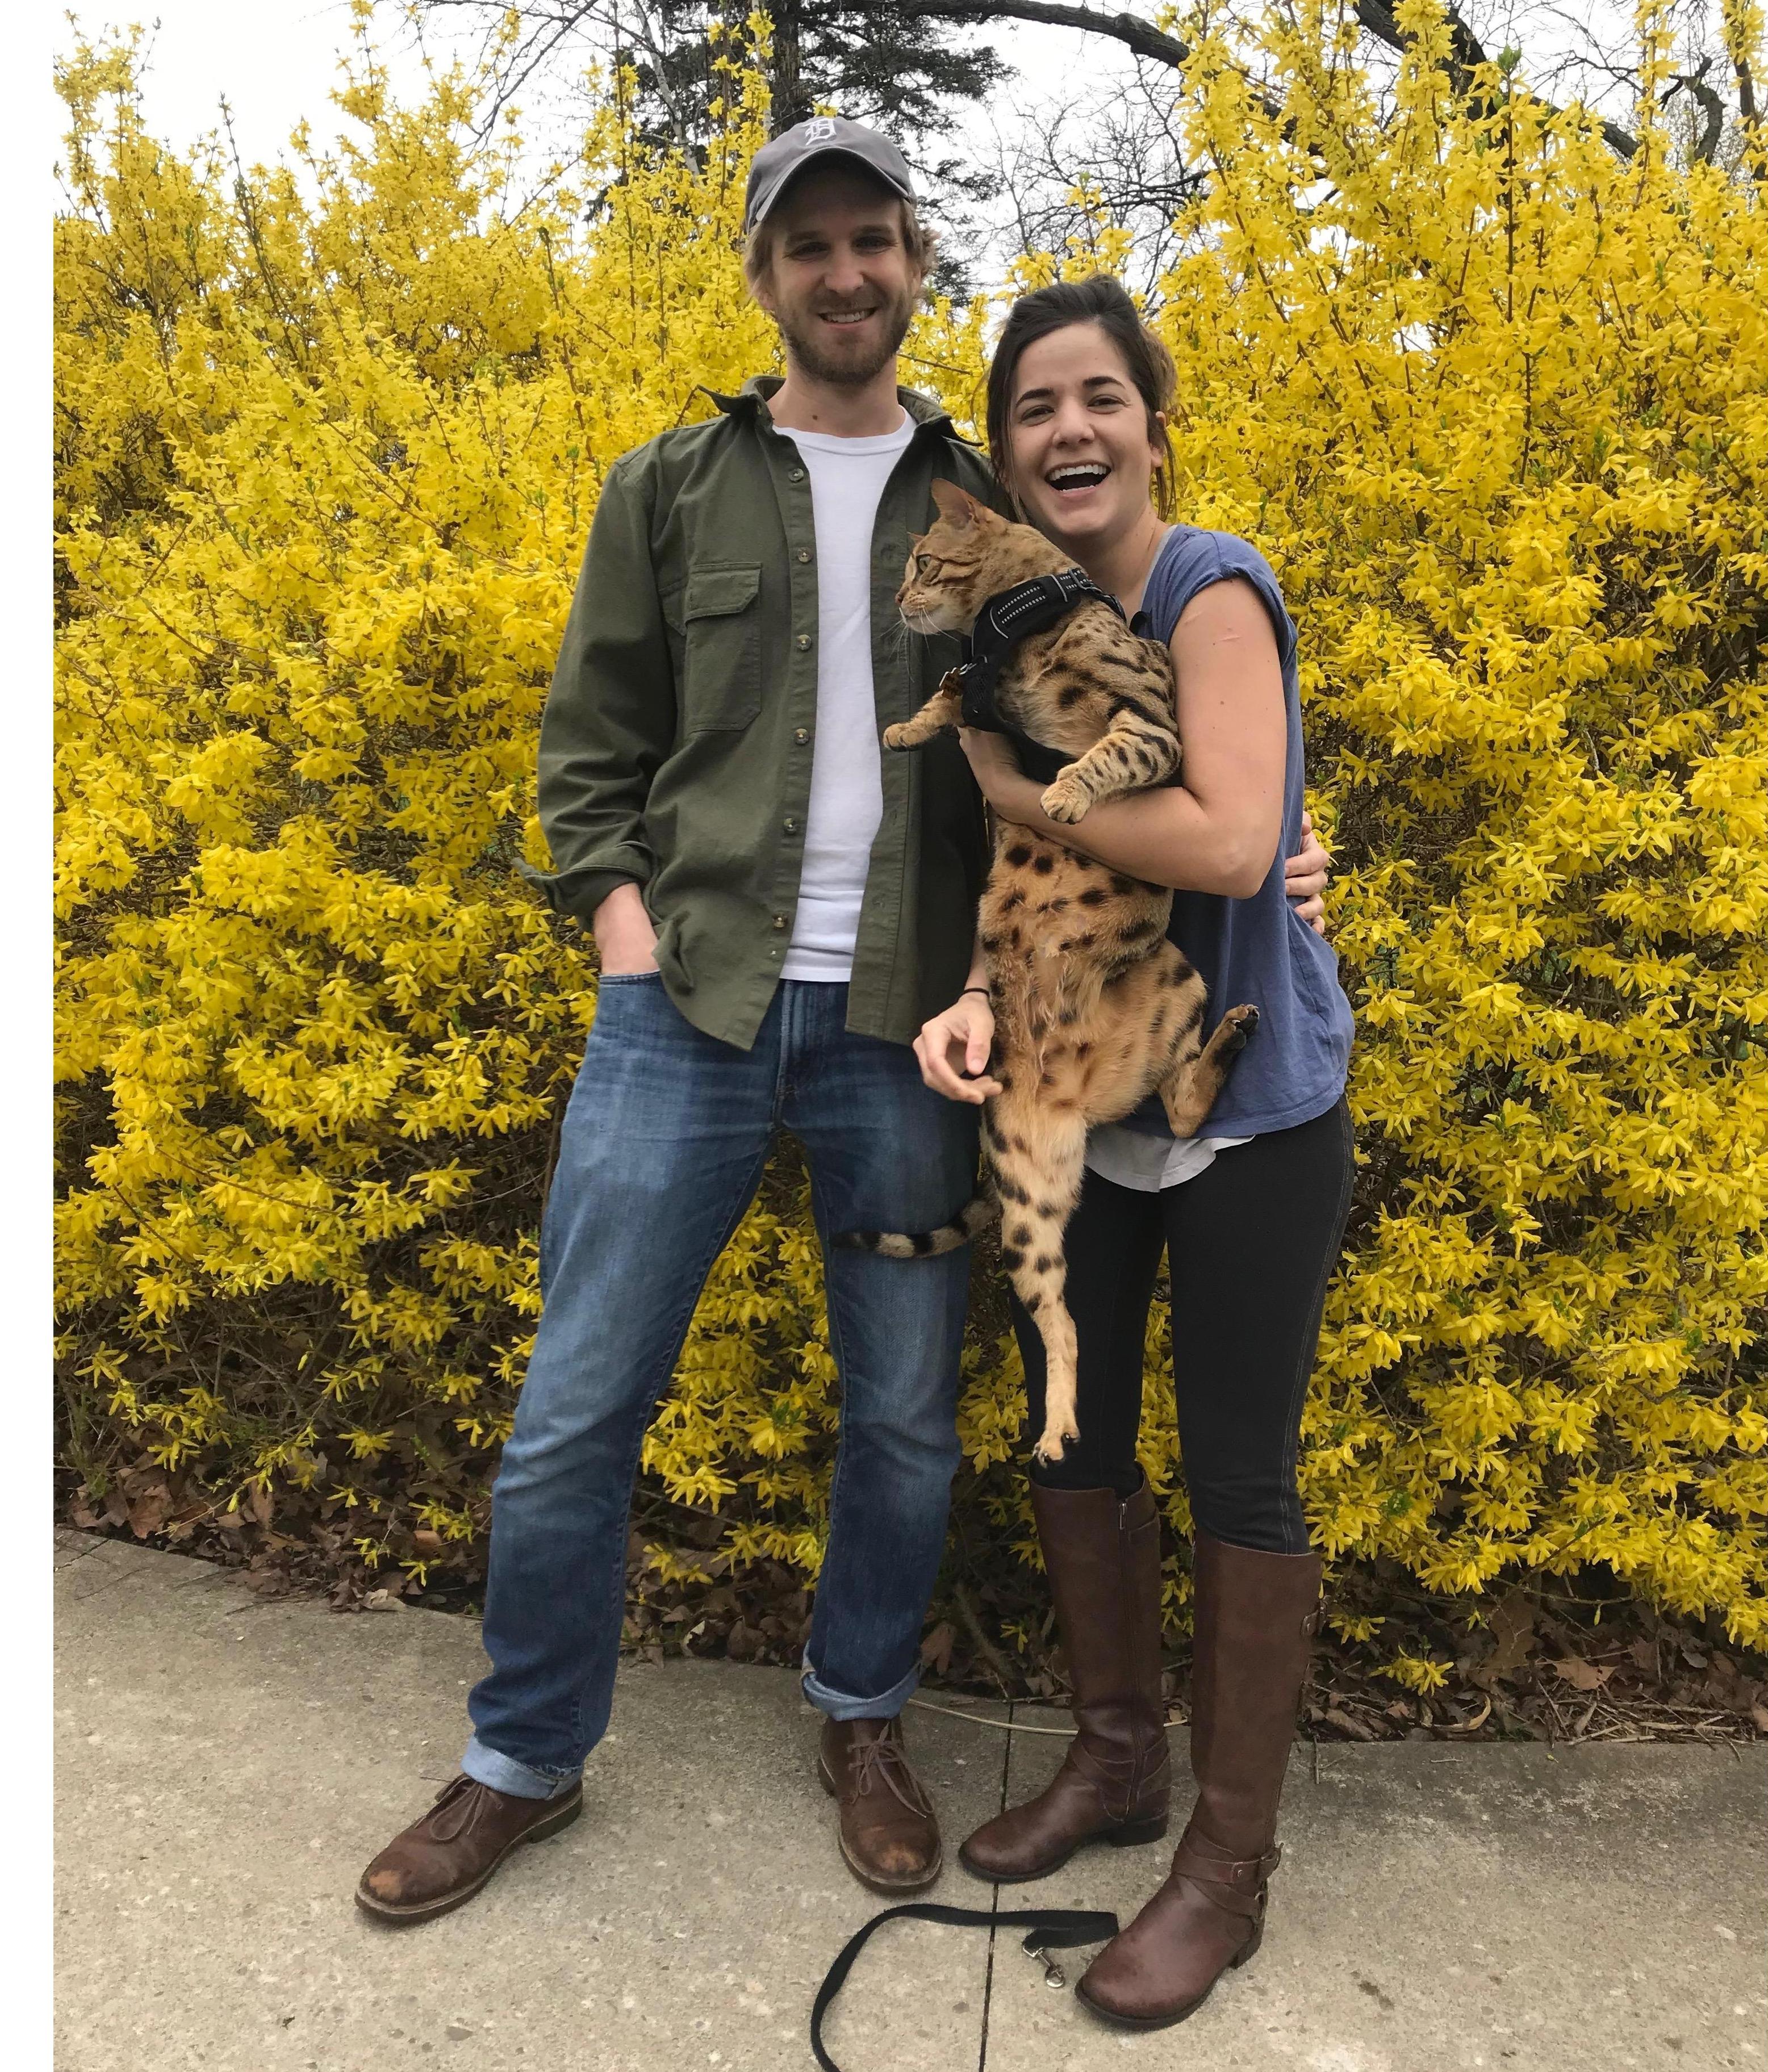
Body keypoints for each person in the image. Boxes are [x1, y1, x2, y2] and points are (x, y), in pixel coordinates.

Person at [353, 121, 1331, 1927]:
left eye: (874, 236)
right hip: (689, 1013)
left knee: (899, 1419)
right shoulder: (667, 487)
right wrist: (624, 929)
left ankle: (862, 1720)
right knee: (576, 1408)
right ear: (764, 274)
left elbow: (1127, 714)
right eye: (809, 244)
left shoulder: (997, 506)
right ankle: (520, 1760)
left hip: (905, 1030)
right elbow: (587, 754)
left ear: (912, 260)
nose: (846, 271)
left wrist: (1286, 849)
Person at [910, 274, 1357, 2030]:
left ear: (1150, 424)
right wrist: (965, 990)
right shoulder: (1021, 621)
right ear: (1006, 452)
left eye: (1098, 395)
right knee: (1074, 1429)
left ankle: (1224, 1871)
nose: (1067, 429)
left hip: (1250, 1109)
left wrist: (1012, 784)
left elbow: (1237, 841)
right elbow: (1052, 887)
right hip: (1079, 1084)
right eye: (1032, 407)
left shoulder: (1207, 584)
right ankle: (1116, 1757)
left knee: (1240, 1472)